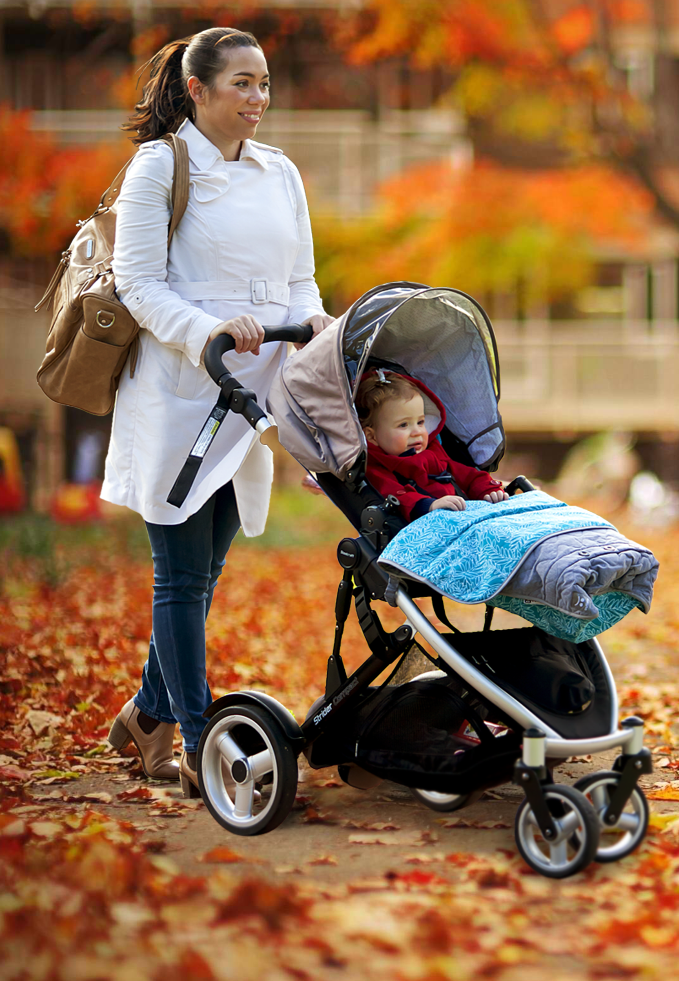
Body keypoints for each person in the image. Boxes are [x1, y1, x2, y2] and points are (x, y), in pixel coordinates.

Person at [103, 27, 333, 797]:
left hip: (251, 398)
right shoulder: (159, 166)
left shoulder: (281, 173)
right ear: (197, 89)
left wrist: (313, 329)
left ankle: (145, 714)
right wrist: (209, 331)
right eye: (242, 83)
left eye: (264, 83)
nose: (258, 99)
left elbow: (302, 281)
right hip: (176, 394)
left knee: (207, 574)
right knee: (179, 577)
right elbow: (139, 284)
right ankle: (197, 736)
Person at [355, 369, 508, 521]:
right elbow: (395, 496)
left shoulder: (433, 452)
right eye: (403, 425)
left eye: (421, 422)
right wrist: (429, 505)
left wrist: (487, 488)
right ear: (372, 436)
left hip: (465, 515)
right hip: (432, 525)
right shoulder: (377, 468)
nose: (417, 432)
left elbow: (468, 475)